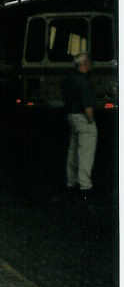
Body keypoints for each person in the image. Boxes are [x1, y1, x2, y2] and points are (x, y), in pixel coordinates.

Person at [62, 52, 97, 198]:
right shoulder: (84, 82)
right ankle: (85, 187)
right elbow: (88, 107)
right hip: (83, 118)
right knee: (85, 153)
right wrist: (91, 120)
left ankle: (71, 182)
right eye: (88, 62)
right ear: (83, 64)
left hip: (71, 116)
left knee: (73, 151)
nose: (90, 64)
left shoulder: (69, 79)